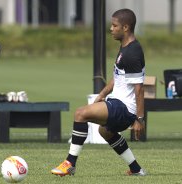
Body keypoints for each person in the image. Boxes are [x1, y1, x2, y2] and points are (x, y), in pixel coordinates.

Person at [51, 8, 146, 176]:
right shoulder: (125, 48)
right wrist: (101, 95)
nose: (111, 28)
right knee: (105, 131)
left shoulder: (132, 53)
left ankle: (70, 164)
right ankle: (136, 169)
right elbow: (117, 78)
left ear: (125, 27)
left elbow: (139, 90)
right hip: (118, 104)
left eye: (114, 25)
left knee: (80, 114)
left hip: (125, 109)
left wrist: (139, 119)